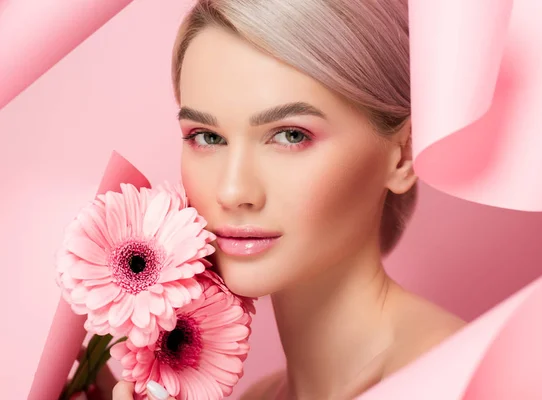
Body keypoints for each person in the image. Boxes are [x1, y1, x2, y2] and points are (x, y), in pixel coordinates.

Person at [112, 0, 466, 398]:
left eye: (290, 135)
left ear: (403, 155)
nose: (232, 191)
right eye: (207, 137)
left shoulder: (450, 379)